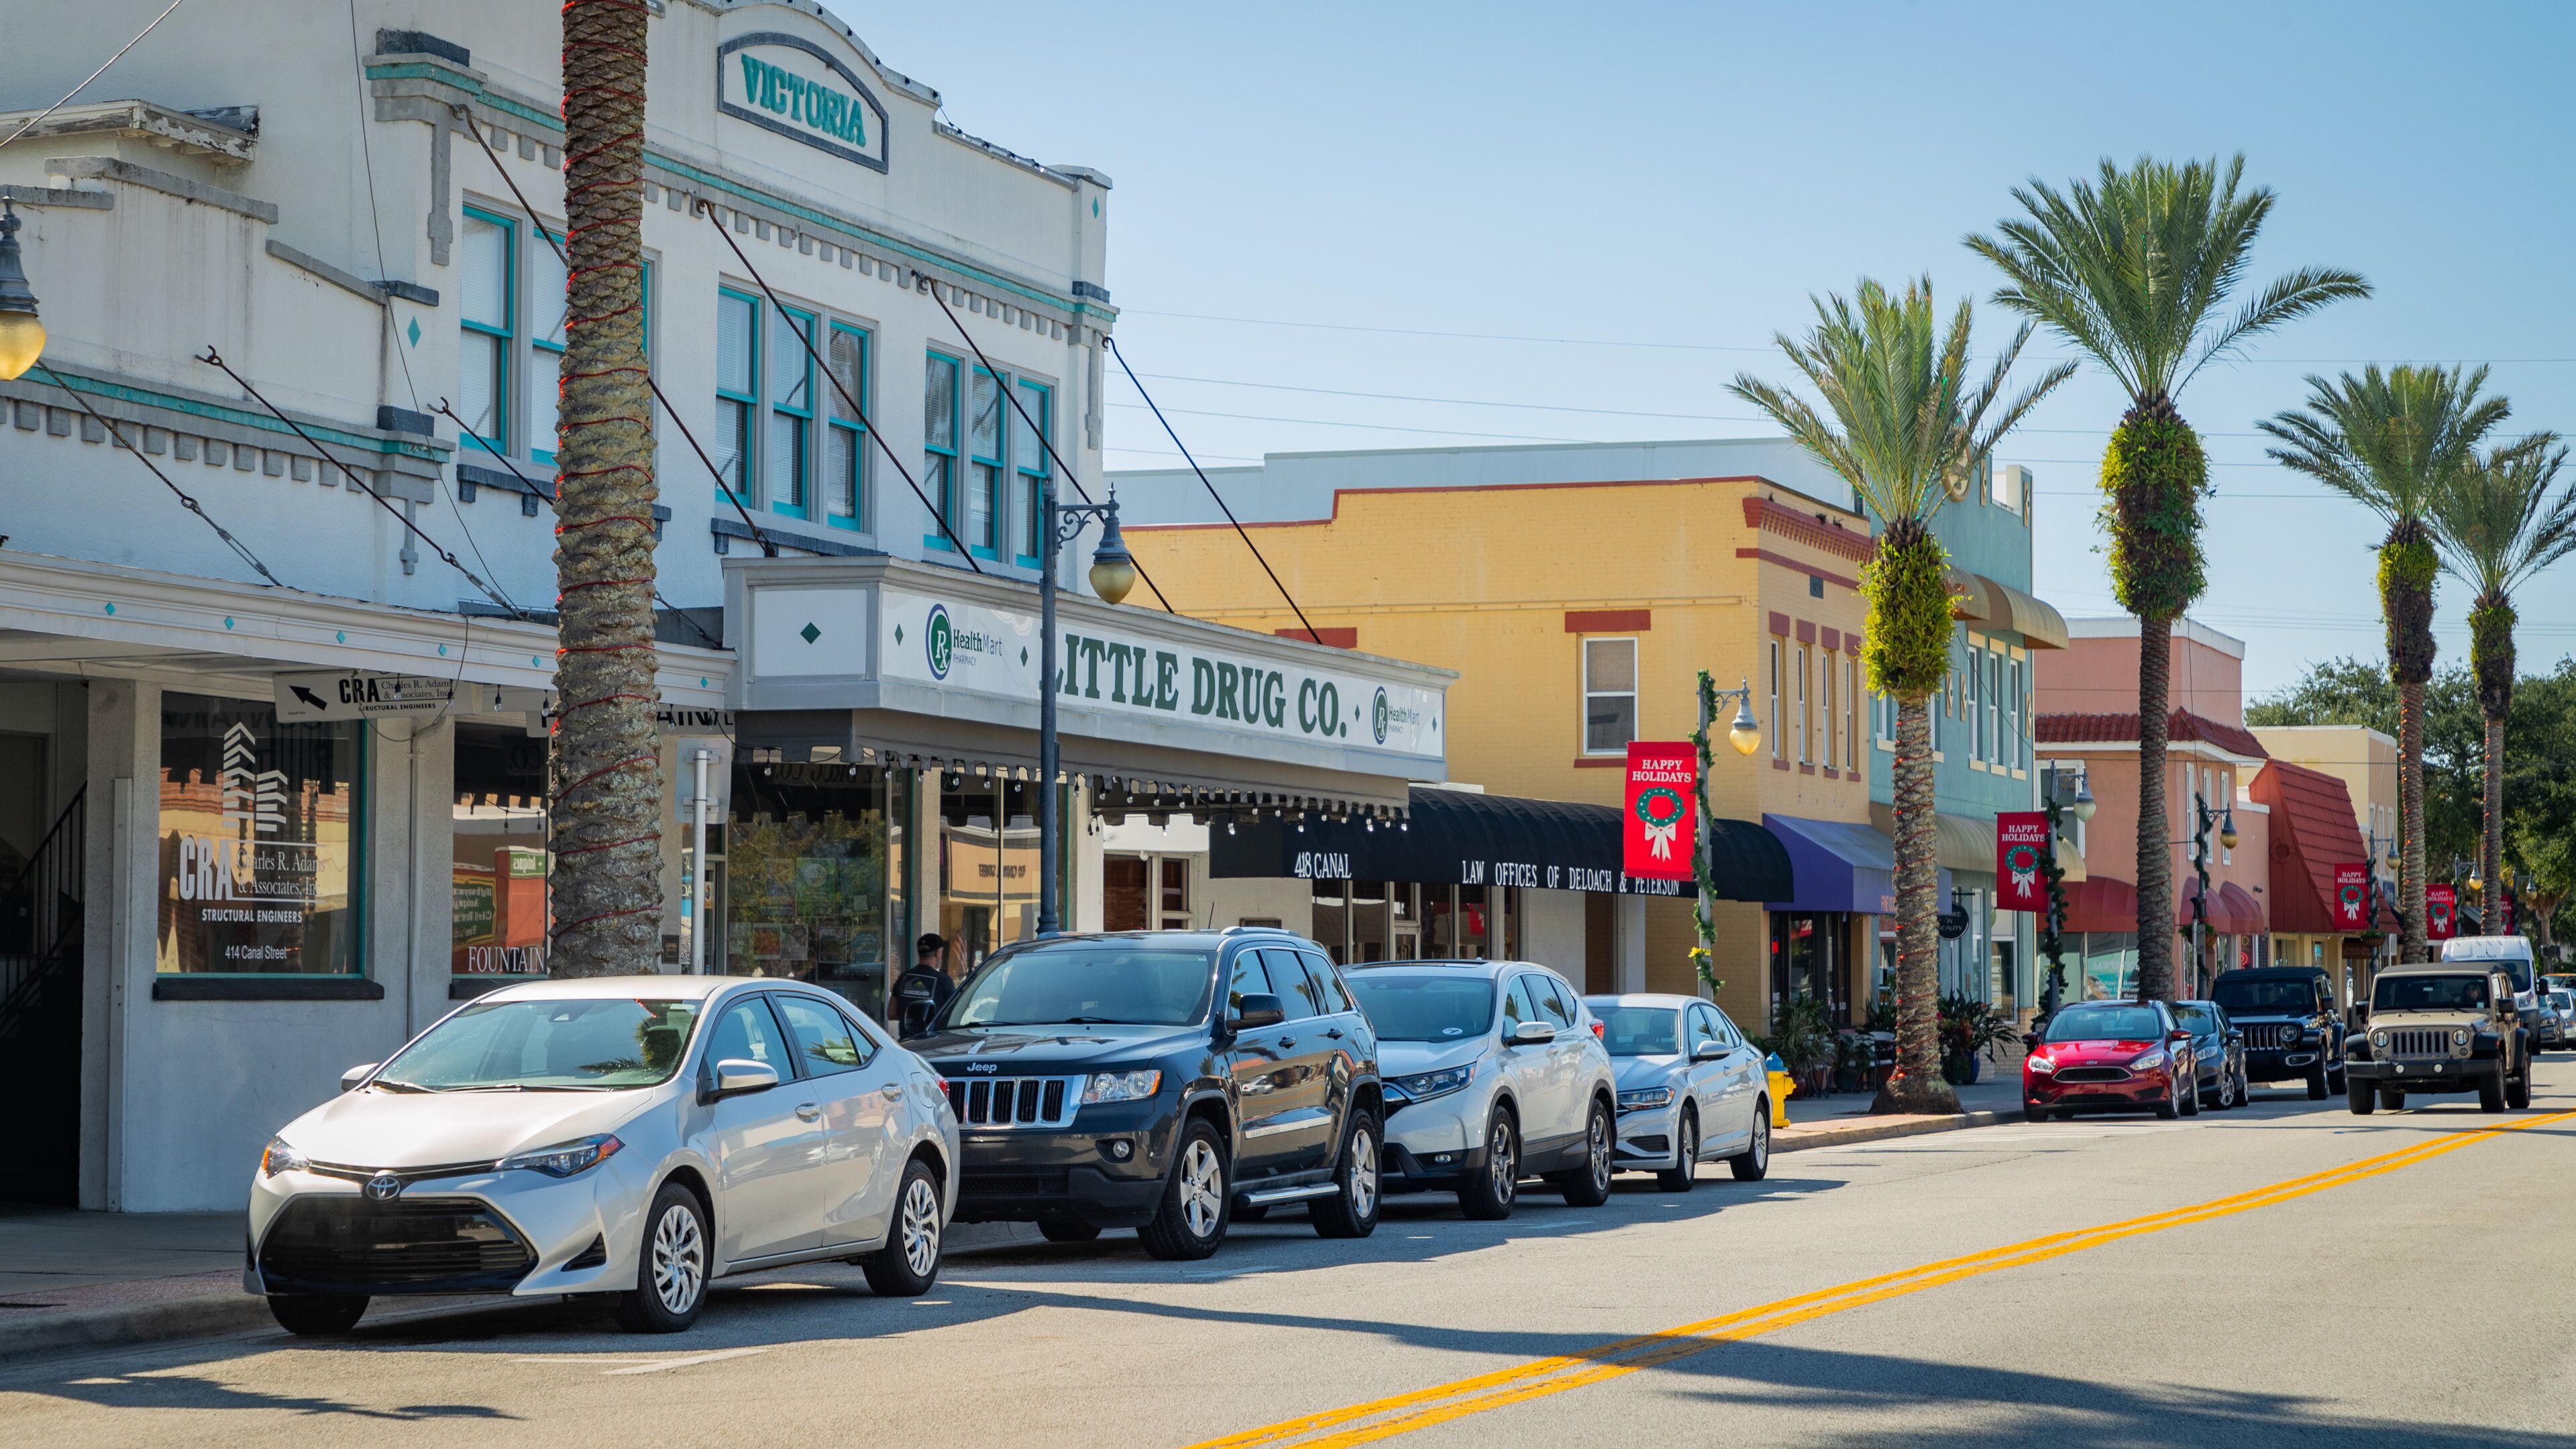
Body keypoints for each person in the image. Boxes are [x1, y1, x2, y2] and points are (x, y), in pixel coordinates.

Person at [891, 934, 955, 1039]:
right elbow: (952, 1016)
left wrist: (911, 1017)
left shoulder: (904, 978)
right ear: (938, 953)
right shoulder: (944, 981)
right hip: (931, 1047)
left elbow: (891, 1013)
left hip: (906, 1045)